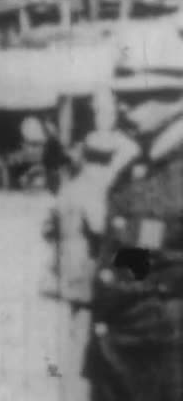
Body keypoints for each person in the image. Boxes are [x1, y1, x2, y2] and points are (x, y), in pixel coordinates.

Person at [85, 95, 183, 401]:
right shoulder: (134, 163)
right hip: (117, 353)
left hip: (165, 358)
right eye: (121, 97)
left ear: (177, 98)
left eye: (137, 97)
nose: (124, 106)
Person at [41, 130, 136, 401]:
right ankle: (82, 385)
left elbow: (48, 228)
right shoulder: (98, 187)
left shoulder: (71, 185)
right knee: (91, 329)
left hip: (67, 264)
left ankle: (73, 380)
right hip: (89, 266)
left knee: (77, 326)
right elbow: (101, 229)